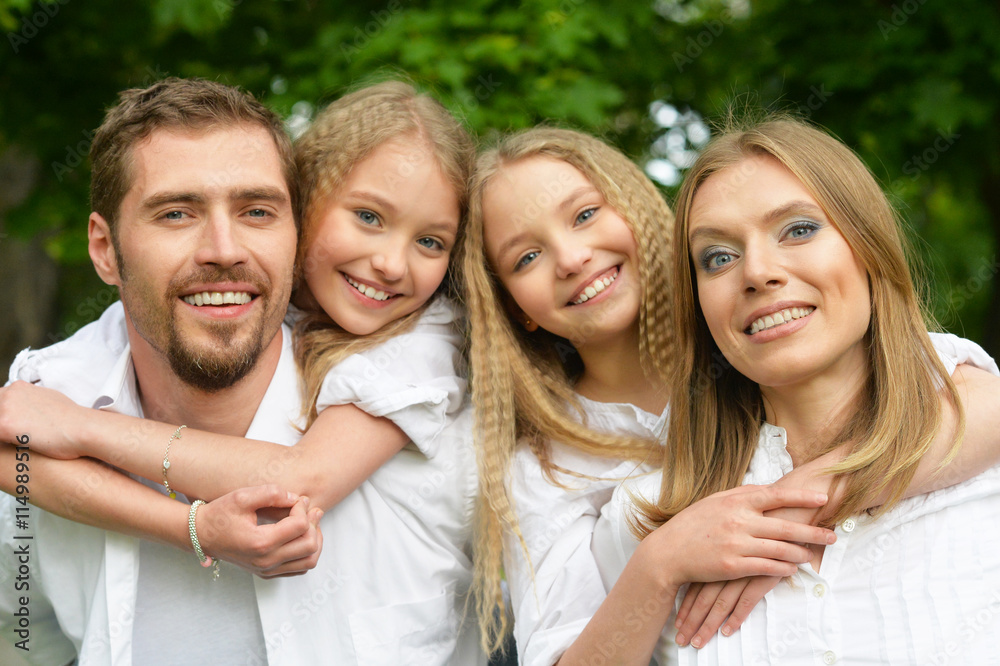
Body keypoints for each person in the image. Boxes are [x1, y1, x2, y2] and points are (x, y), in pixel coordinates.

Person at [459, 126, 1000, 665]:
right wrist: (660, 565)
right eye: (718, 257)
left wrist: (810, 494)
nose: (572, 257)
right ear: (512, 307)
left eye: (583, 215)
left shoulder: (945, 395)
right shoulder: (609, 503)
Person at [0, 77, 484, 665]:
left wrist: (82, 431)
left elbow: (298, 480)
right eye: (176, 213)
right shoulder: (66, 385)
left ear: (291, 228)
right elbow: (27, 639)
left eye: (256, 211)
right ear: (105, 251)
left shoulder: (428, 397)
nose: (224, 249)